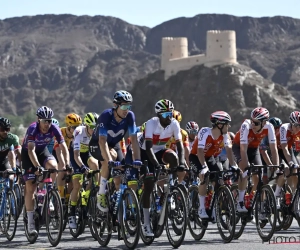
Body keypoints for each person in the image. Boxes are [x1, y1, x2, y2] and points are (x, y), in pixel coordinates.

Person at [138, 99, 185, 236]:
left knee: (174, 158)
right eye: (165, 115)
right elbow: (148, 148)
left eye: (170, 114)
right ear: (158, 115)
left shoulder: (174, 123)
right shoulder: (151, 123)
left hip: (160, 150)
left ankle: (172, 186)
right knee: (149, 185)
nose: (169, 117)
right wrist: (157, 165)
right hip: (146, 152)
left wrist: (181, 164)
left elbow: (180, 147)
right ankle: (146, 223)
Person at [88, 90, 142, 212]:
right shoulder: (106, 116)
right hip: (97, 144)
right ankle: (101, 193)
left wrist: (137, 159)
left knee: (122, 169)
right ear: (115, 105)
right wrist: (109, 160)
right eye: (123, 105)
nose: (126, 109)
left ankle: (117, 200)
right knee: (110, 158)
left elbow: (134, 140)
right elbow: (102, 141)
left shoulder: (130, 116)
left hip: (114, 144)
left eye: (128, 106)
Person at [22, 106, 70, 235]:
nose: (47, 124)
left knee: (54, 167)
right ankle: (31, 222)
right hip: (28, 154)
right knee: (31, 187)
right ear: (38, 120)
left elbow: (63, 145)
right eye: (44, 121)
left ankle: (47, 192)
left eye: (49, 120)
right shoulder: (33, 128)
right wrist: (37, 166)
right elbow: (31, 150)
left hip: (43, 151)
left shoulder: (54, 128)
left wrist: (66, 164)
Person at [189, 111, 238, 218]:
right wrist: (204, 167)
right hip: (196, 157)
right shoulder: (205, 132)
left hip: (210, 158)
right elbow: (200, 151)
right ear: (220, 125)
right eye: (227, 124)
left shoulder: (225, 135)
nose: (229, 126)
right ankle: (201, 208)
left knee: (219, 181)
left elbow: (229, 149)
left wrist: (234, 165)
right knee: (204, 177)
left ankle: (214, 205)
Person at [232, 107, 279, 218]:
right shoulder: (246, 126)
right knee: (244, 170)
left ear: (264, 122)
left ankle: (252, 200)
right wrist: (246, 166)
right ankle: (240, 202)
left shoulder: (269, 127)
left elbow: (273, 149)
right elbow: (243, 150)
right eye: (252, 120)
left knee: (258, 178)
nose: (253, 124)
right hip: (239, 148)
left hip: (254, 149)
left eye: (256, 123)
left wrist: (275, 166)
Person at [68, 112, 99, 229]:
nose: (94, 131)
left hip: (87, 153)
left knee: (96, 165)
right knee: (77, 184)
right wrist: (82, 167)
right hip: (76, 155)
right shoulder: (79, 132)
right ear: (86, 126)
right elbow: (76, 155)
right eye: (92, 128)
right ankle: (71, 212)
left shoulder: (96, 133)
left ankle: (94, 191)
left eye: (95, 128)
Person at [0, 117, 21, 187]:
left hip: (4, 162)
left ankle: (9, 193)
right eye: (2, 129)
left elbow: (18, 152)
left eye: (7, 129)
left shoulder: (12, 139)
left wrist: (21, 167)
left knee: (11, 177)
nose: (5, 132)